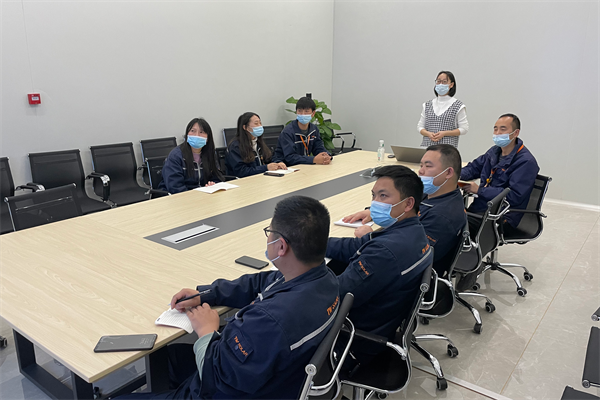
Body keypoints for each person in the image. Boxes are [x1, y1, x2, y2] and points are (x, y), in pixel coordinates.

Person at [116, 196, 339, 400]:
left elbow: (216, 379)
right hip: (275, 376)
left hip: (223, 387)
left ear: (281, 246)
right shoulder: (324, 278)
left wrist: (207, 331)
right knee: (170, 357)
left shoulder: (269, 320)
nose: (268, 237)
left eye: (270, 232)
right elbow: (261, 282)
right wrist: (207, 294)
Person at [326, 165, 432, 363]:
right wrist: (314, 243)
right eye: (374, 195)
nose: (375, 203)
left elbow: (333, 296)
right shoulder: (414, 232)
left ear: (408, 203)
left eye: (383, 196)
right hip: (382, 324)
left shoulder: (384, 252)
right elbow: (356, 246)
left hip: (353, 341)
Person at [343, 144, 467, 277]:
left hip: (403, 276)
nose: (421, 171)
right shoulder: (436, 195)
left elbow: (409, 254)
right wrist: (374, 211)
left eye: (428, 166)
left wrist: (371, 236)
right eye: (421, 166)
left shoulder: (442, 216)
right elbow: (404, 204)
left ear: (448, 173)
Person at [460, 114, 539, 235]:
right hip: (481, 209)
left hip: (501, 216)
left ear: (516, 133)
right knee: (444, 213)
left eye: (503, 129)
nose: (497, 133)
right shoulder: (494, 152)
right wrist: (454, 175)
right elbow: (474, 168)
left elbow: (513, 196)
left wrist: (480, 190)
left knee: (452, 223)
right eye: (495, 129)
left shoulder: (526, 162)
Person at [159, 118, 223, 193]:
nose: (197, 135)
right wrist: (195, 195)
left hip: (204, 195)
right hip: (181, 196)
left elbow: (217, 177)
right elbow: (175, 187)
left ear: (208, 138)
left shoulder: (209, 154)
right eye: (193, 131)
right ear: (187, 135)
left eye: (201, 132)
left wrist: (213, 185)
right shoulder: (176, 156)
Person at [225, 112, 287, 177]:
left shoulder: (258, 142)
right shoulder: (235, 146)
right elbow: (241, 172)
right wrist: (266, 168)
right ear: (245, 127)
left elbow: (270, 158)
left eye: (260, 123)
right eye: (256, 123)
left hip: (262, 178)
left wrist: (278, 162)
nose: (260, 126)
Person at [273, 96, 332, 166]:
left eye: (306, 111)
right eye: (300, 111)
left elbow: (318, 147)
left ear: (313, 113)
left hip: (304, 165)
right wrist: (313, 160)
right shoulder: (288, 132)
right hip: (286, 166)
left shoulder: (314, 129)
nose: (303, 114)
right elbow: (290, 157)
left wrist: (326, 156)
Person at [418, 71, 469, 148]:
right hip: (428, 148)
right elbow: (420, 127)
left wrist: (445, 133)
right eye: (438, 81)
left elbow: (464, 129)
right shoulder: (427, 105)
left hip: (447, 149)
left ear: (451, 84)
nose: (441, 84)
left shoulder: (458, 106)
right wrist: (428, 134)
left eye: (444, 82)